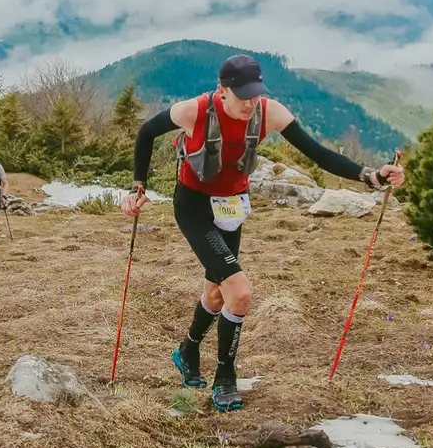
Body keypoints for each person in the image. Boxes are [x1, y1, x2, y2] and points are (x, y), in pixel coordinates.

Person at [124, 54, 405, 412]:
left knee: (216, 293)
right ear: (221, 90)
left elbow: (318, 154)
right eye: (242, 95)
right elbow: (146, 132)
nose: (250, 103)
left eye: (255, 94)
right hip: (193, 206)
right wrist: (138, 187)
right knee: (239, 293)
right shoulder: (193, 111)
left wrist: (370, 176)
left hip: (231, 206)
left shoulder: (268, 112)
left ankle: (187, 350)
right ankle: (225, 377)